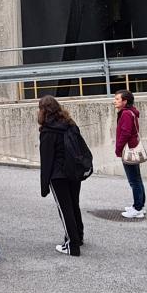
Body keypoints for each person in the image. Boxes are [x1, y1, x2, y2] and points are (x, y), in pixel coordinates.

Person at [38, 96, 86, 256]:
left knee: (65, 209)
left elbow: (46, 160)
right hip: (74, 171)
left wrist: (44, 186)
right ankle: (78, 236)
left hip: (58, 175)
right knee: (74, 205)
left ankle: (72, 245)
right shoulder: (70, 125)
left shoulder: (47, 131)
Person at [114, 89, 146, 219]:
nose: (115, 101)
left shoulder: (126, 114)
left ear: (125, 101)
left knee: (134, 181)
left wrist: (118, 149)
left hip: (129, 150)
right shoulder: (131, 112)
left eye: (117, 99)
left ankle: (137, 209)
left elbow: (125, 133)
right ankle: (139, 206)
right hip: (132, 148)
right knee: (137, 179)